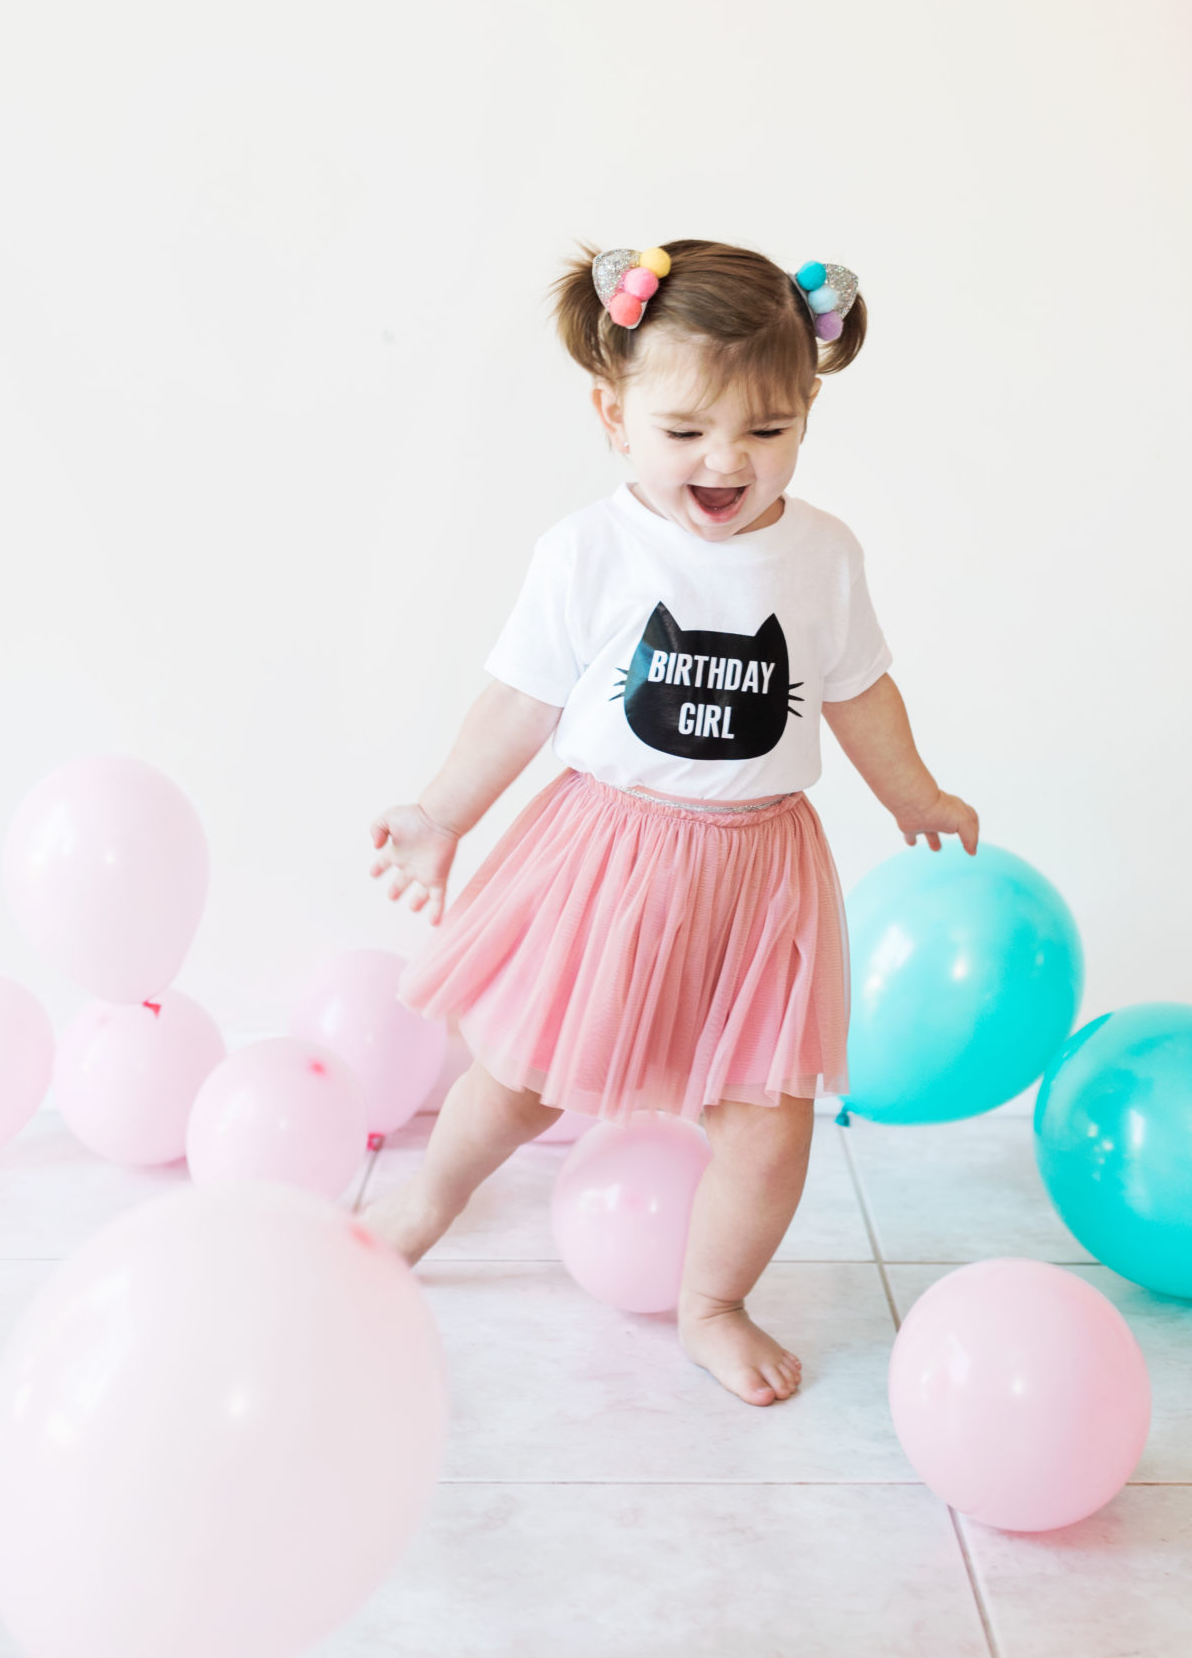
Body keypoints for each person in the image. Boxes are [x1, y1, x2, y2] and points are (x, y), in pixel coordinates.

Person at [366, 239, 979, 1406]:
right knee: (524, 1069)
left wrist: (912, 792)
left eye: (765, 429)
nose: (724, 459)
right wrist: (442, 813)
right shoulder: (588, 550)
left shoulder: (821, 555)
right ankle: (430, 1198)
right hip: (612, 850)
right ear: (613, 413)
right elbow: (520, 699)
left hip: (761, 869)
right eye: (686, 427)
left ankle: (712, 1298)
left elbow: (857, 690)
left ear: (806, 415)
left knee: (767, 1114)